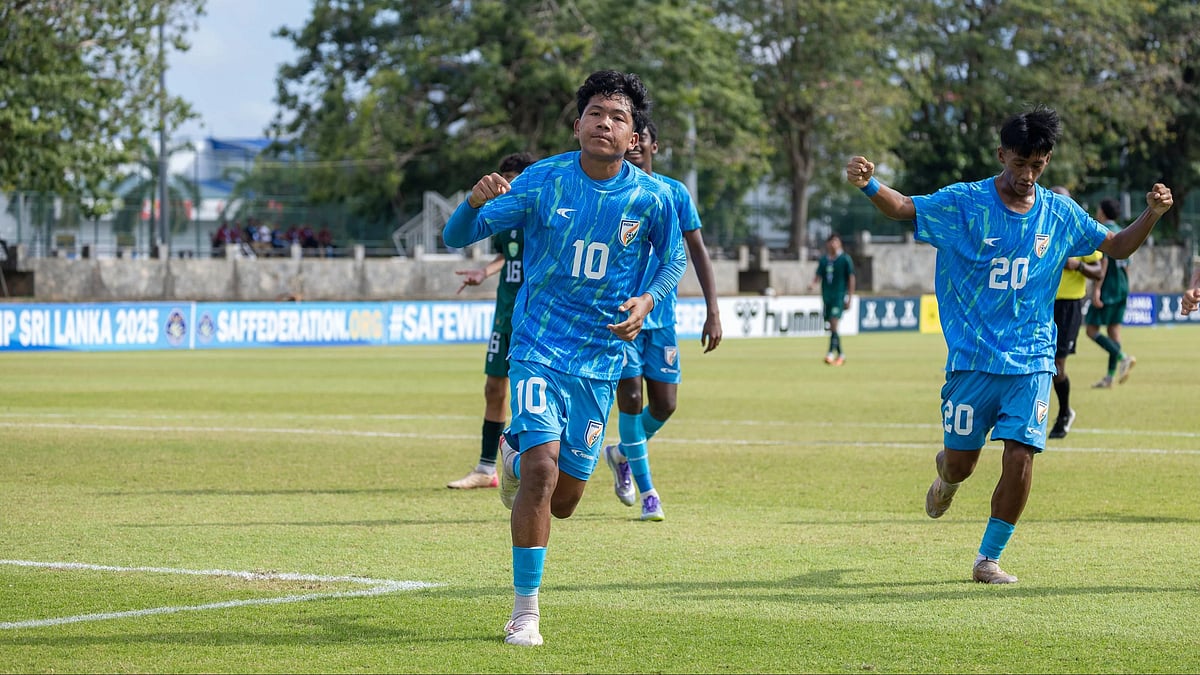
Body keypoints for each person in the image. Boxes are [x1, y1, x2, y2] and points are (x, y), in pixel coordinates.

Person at [846, 105, 1173, 585]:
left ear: (1047, 160)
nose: (1027, 175)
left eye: (1037, 165)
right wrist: (869, 184)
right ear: (1002, 155)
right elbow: (904, 207)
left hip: (1032, 358)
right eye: (1019, 163)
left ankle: (987, 559)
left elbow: (1118, 246)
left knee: (1021, 454)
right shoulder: (965, 203)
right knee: (960, 463)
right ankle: (946, 479)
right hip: (972, 361)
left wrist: (1153, 213)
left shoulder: (1060, 214)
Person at [442, 70, 685, 647]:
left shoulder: (652, 197)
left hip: (602, 360)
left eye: (618, 117)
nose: (605, 123)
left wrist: (649, 298)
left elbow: (673, 262)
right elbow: (459, 235)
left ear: (634, 137)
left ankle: (510, 453)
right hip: (539, 348)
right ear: (578, 125)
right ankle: (525, 612)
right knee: (542, 470)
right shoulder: (544, 180)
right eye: (596, 113)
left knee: (569, 499)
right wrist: (470, 204)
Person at [602, 120, 722, 522]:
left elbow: (697, 252)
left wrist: (713, 310)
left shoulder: (674, 192)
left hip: (662, 317)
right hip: (621, 318)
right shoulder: (615, 189)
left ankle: (622, 453)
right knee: (632, 401)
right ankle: (649, 491)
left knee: (666, 404)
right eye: (631, 140)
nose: (635, 147)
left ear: (654, 144)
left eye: (642, 140)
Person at [447, 152, 537, 490]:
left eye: (515, 181)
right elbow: (506, 255)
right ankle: (486, 469)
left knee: (532, 394)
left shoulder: (540, 215)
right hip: (505, 314)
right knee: (493, 388)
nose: (508, 187)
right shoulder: (503, 220)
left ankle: (541, 463)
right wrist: (484, 271)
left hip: (535, 317)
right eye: (505, 180)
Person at [1047, 186, 1102, 439]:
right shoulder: (1040, 230)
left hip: (1068, 305)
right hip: (1040, 303)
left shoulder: (1079, 236)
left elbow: (1098, 271)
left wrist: (1076, 265)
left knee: (1057, 365)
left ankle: (1065, 412)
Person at [1085, 198, 1136, 388]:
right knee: (1114, 332)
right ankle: (1109, 378)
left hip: (1108, 288)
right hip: (1122, 287)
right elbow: (1128, 265)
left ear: (1102, 212)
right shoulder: (1125, 232)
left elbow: (1103, 263)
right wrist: (1125, 287)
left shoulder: (1103, 231)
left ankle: (1123, 357)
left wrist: (1096, 290)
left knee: (1091, 330)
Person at [806, 233, 856, 366]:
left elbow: (851, 278)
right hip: (826, 297)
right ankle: (841, 355)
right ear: (827, 244)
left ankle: (829, 353)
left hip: (839, 297)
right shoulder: (824, 260)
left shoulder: (845, 259)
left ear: (840, 244)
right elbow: (818, 276)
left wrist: (849, 298)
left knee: (834, 323)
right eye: (831, 241)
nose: (833, 244)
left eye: (836, 241)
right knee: (832, 327)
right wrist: (812, 284)